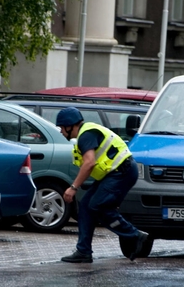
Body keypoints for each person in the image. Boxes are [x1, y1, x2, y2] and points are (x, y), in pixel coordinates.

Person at [55, 107, 148, 263]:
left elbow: (89, 162)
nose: (61, 132)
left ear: (69, 125)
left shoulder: (86, 135)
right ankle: (83, 251)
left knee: (97, 206)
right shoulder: (86, 133)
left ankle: (134, 235)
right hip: (114, 173)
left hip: (121, 172)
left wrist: (73, 187)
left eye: (61, 128)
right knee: (85, 205)